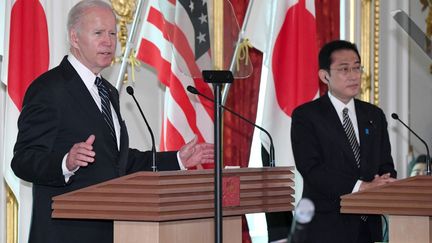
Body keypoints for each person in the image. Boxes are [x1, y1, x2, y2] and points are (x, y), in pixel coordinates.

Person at [11, 1, 213, 243]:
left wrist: (178, 159)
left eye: (112, 33)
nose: (109, 41)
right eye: (98, 33)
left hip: (113, 230)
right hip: (66, 233)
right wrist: (66, 161)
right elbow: (23, 160)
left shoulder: (108, 91)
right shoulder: (49, 88)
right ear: (74, 38)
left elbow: (119, 160)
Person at [290, 40, 397, 243]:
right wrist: (360, 186)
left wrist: (383, 182)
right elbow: (311, 168)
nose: (354, 75)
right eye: (344, 69)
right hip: (327, 226)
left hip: (369, 226)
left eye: (357, 68)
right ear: (324, 76)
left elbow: (386, 164)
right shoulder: (307, 116)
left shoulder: (374, 115)